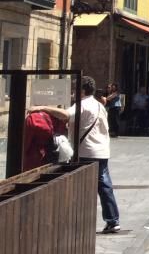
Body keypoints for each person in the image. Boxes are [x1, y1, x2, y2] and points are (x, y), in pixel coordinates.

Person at [31, 77, 120, 233]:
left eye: (75, 89)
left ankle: (77, 220)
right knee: (105, 187)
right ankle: (112, 220)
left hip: (86, 152)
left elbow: (65, 114)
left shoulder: (82, 104)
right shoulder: (99, 105)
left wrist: (42, 108)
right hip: (102, 151)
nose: (73, 92)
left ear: (83, 90)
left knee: (80, 186)